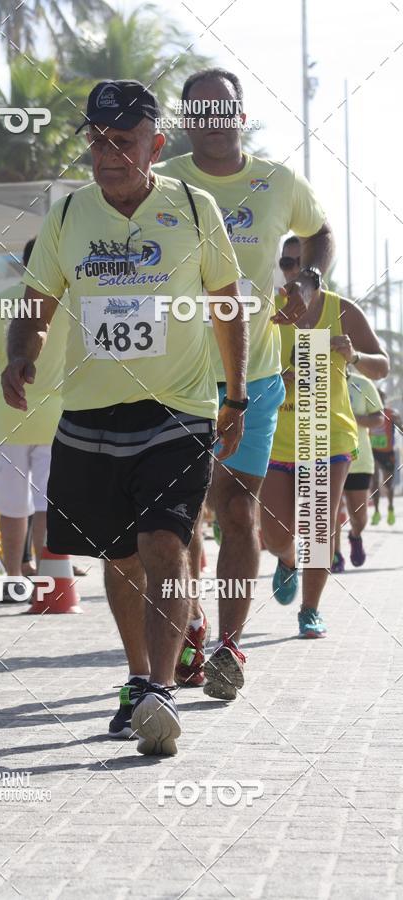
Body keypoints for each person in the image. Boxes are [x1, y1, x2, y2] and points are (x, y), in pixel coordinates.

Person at [2, 80, 246, 756]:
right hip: (91, 413)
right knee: (118, 555)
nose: (108, 154)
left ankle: (163, 692)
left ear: (156, 145)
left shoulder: (195, 209)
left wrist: (237, 396)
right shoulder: (67, 215)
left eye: (124, 141)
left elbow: (227, 304)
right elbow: (38, 301)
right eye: (98, 141)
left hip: (179, 407)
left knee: (163, 542)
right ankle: (138, 679)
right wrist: (19, 356)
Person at [154, 68, 333, 697]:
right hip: (175, 384)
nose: (211, 119)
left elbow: (319, 232)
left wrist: (305, 283)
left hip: (253, 380)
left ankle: (229, 648)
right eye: (197, 110)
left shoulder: (278, 180)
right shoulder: (166, 182)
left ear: (241, 114)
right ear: (184, 120)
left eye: (221, 108)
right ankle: (191, 622)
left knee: (235, 510)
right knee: (177, 526)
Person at [260, 241, 388, 637]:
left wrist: (353, 357)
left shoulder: (342, 310)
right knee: (275, 533)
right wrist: (276, 380)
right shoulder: (267, 307)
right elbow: (240, 364)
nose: (294, 270)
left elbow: (380, 365)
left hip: (327, 436)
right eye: (286, 262)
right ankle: (286, 560)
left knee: (319, 523)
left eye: (302, 264)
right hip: (278, 435)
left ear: (317, 268)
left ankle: (310, 610)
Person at [0, 238, 69, 603]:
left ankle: (12, 578)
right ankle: (48, 578)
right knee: (47, 503)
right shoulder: (68, 302)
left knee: (12, 506)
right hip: (58, 418)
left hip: (11, 416)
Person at [332, 371, 384, 571]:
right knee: (330, 511)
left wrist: (351, 417)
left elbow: (378, 417)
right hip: (326, 458)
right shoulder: (318, 381)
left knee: (359, 516)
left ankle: (355, 535)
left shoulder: (362, 383)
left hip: (359, 460)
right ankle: (334, 555)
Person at [370, 389, 401, 526]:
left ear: (384, 400)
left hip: (387, 453)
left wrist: (399, 421)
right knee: (374, 482)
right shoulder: (368, 414)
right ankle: (376, 511)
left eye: (380, 398)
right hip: (373, 452)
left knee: (388, 484)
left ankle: (390, 508)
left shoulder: (391, 413)